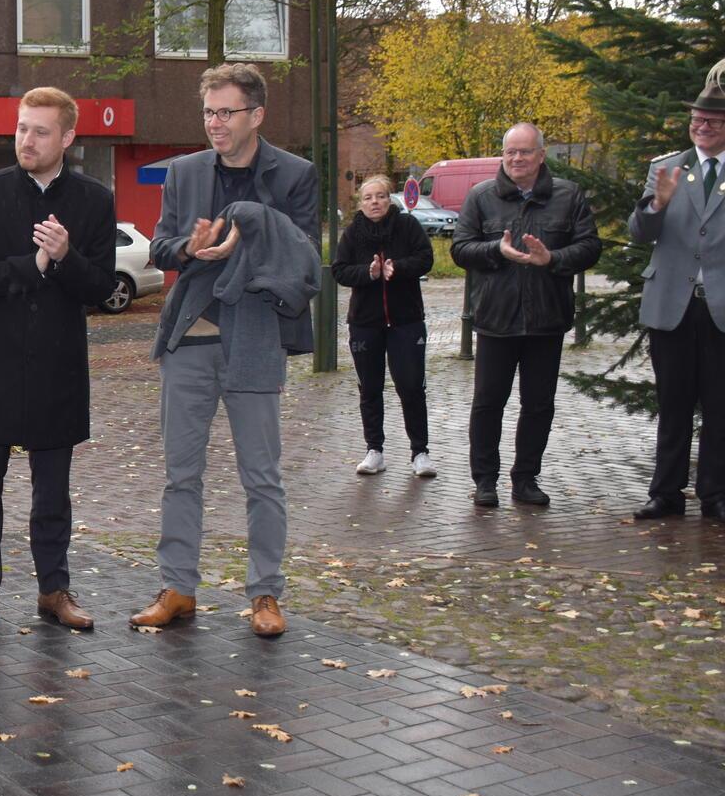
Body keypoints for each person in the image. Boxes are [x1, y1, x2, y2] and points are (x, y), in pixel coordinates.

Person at [134, 63, 319, 638]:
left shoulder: (294, 174)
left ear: (256, 115)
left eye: (226, 112)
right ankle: (178, 589)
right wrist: (188, 249)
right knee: (180, 474)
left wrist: (254, 221)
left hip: (256, 339)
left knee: (262, 477)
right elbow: (159, 247)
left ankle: (265, 593)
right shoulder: (184, 172)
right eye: (209, 112)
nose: (215, 123)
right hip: (190, 338)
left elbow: (305, 258)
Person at [0, 87, 117, 637]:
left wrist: (66, 257)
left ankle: (53, 589)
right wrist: (33, 264)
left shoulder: (94, 200)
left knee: (53, 490)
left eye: (40, 131)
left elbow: (99, 286)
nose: (26, 139)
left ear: (68, 138)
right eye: (22, 128)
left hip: (57, 366)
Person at [451, 123, 600, 508]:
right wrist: (494, 252)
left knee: (538, 404)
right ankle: (484, 480)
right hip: (495, 318)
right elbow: (460, 249)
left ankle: (526, 479)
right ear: (503, 155)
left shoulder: (568, 196)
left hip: (546, 319)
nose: (517, 159)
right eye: (510, 152)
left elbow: (590, 246)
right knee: (488, 403)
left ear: (541, 154)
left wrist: (553, 259)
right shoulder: (481, 196)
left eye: (525, 152)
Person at [629, 65, 725, 520]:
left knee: (720, 407)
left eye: (712, 122)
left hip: (721, 307)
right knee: (674, 405)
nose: (702, 128)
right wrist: (657, 204)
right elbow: (638, 233)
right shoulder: (666, 169)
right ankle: (665, 494)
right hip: (672, 306)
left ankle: (715, 494)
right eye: (696, 121)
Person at [332, 174, 436, 478]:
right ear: (360, 203)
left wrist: (398, 268)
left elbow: (425, 258)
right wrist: (369, 273)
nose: (374, 202)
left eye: (379, 196)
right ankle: (374, 450)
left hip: (406, 320)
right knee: (370, 387)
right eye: (367, 197)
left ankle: (420, 452)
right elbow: (340, 270)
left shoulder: (407, 226)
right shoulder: (352, 233)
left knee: (411, 386)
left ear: (389, 199)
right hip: (365, 322)